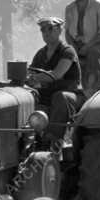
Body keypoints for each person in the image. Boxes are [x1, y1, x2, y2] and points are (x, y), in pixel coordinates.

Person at [25, 17, 81, 146]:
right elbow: (31, 74)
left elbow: (57, 74)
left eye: (50, 28)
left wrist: (35, 78)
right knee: (28, 96)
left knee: (59, 97)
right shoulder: (40, 53)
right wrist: (26, 80)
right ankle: (27, 139)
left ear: (59, 30)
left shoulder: (67, 51)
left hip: (70, 95)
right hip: (45, 95)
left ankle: (53, 140)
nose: (46, 32)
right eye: (43, 29)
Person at [64, 0, 100, 94]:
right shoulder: (69, 8)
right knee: (64, 54)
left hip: (97, 44)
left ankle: (90, 88)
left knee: (93, 53)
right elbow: (67, 32)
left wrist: (88, 46)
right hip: (77, 44)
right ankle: (71, 88)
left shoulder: (98, 6)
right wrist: (72, 46)